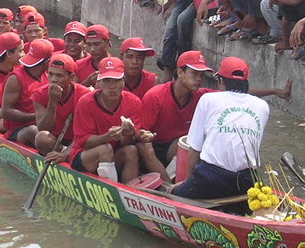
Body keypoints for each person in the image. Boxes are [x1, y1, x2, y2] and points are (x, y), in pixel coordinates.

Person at [171, 57, 269, 199]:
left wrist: (187, 182)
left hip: (211, 178)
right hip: (248, 180)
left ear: (221, 82)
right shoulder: (262, 106)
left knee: (174, 193)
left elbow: (195, 149)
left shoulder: (208, 99)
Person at [69, 57, 154, 183]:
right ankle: (111, 189)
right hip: (86, 155)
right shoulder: (85, 102)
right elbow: (83, 142)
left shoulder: (134, 102)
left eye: (117, 80)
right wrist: (107, 136)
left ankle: (130, 192)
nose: (112, 86)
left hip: (115, 154)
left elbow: (128, 143)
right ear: (99, 83)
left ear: (123, 81)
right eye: (107, 81)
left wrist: (132, 135)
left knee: (131, 150)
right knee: (105, 148)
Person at [140, 51, 213, 181]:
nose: (199, 79)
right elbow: (141, 133)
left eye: (201, 75)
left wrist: (261, 92)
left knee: (195, 141)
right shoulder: (155, 96)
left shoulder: (202, 96)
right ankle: (169, 187)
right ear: (180, 73)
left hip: (179, 146)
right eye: (194, 74)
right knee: (145, 147)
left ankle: (186, 183)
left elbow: (233, 93)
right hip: (154, 145)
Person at [32, 54, 91, 159]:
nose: (53, 79)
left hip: (79, 141)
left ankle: (69, 155)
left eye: (59, 75)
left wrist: (66, 153)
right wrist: (52, 102)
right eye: (50, 74)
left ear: (71, 77)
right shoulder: (39, 94)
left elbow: (85, 133)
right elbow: (43, 128)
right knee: (41, 138)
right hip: (56, 141)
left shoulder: (84, 95)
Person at [1, 38, 53, 145]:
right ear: (47, 62)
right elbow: (6, 112)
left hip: (42, 123)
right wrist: (35, 116)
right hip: (19, 129)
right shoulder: (15, 79)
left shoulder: (49, 76)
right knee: (33, 131)